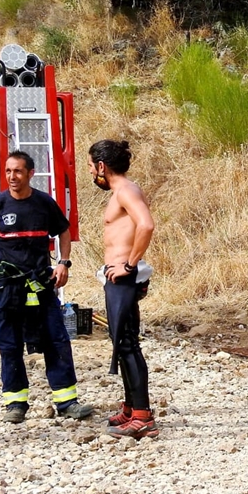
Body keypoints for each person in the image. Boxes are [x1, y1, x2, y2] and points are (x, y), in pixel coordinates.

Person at [0, 151, 93, 424]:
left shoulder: (43, 203)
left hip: (41, 285)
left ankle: (67, 402)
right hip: (7, 288)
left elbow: (63, 231)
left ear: (30, 173)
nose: (12, 177)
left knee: (56, 341)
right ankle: (15, 404)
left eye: (17, 171)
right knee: (9, 345)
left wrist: (63, 262)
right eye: (8, 171)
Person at [89, 140, 158, 439]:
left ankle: (142, 416)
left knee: (127, 343)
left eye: (91, 167)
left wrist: (129, 265)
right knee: (122, 340)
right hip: (116, 277)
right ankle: (131, 407)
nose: (91, 173)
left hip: (123, 278)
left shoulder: (126, 190)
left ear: (102, 166)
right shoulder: (122, 191)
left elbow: (147, 225)